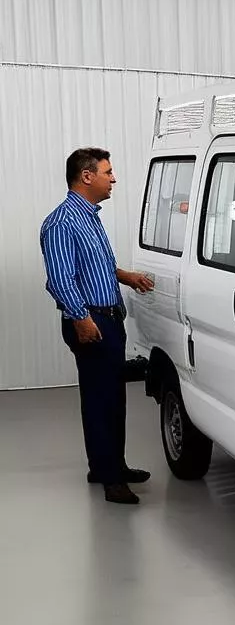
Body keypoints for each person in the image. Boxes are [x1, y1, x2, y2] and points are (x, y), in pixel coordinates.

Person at [40, 148, 156, 505]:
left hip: (107, 318)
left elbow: (95, 267)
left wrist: (125, 276)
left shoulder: (89, 217)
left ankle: (108, 466)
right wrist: (82, 319)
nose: (114, 178)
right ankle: (110, 479)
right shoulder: (62, 222)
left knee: (111, 398)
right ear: (86, 176)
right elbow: (61, 279)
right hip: (91, 322)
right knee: (100, 400)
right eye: (108, 172)